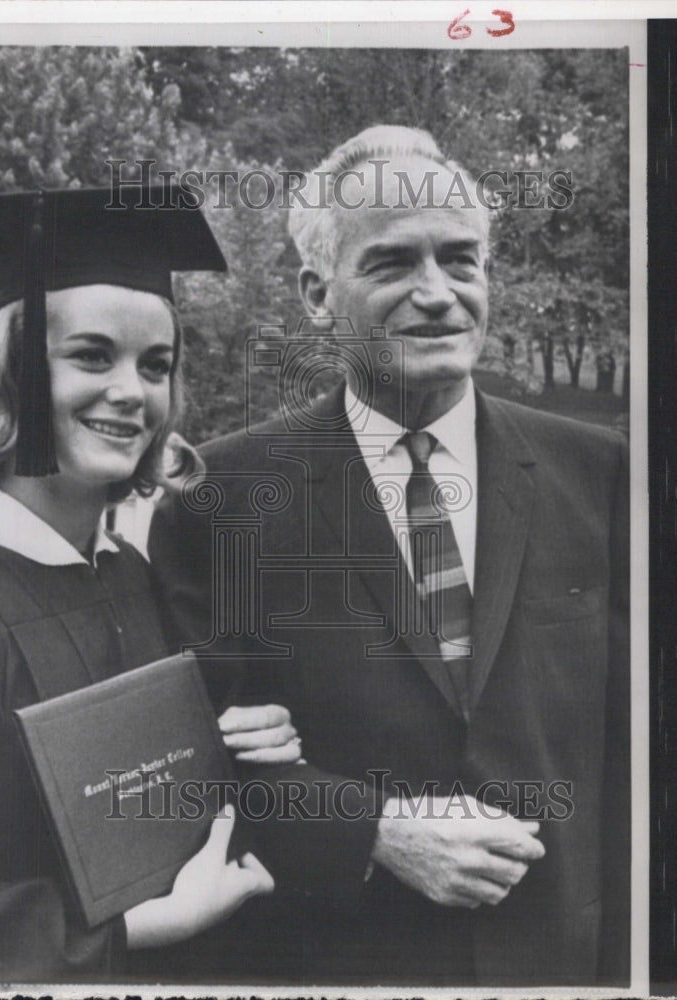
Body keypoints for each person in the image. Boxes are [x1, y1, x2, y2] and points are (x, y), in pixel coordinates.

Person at [150, 126, 631, 987]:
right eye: (391, 263)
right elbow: (185, 763)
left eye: (461, 260)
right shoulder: (220, 494)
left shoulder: (601, 473)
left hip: (562, 961)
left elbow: (654, 747)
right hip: (333, 956)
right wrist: (369, 826)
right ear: (314, 292)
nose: (438, 294)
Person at [0, 184, 304, 984]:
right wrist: (135, 930)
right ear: (12, 373)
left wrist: (241, 747)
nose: (132, 392)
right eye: (92, 355)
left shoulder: (126, 570)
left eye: (156, 366)